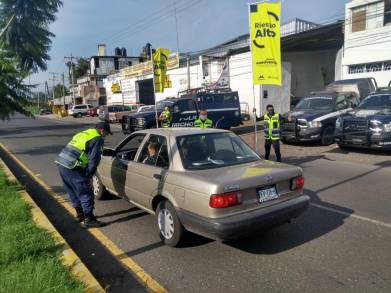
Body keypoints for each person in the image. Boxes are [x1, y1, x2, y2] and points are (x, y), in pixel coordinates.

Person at [55, 122, 112, 228]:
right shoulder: (98, 138)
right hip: (73, 166)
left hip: (62, 162)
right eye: (107, 133)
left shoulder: (85, 133)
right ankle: (89, 220)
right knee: (85, 192)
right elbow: (94, 159)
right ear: (102, 131)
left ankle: (80, 215)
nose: (106, 136)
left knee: (72, 190)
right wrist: (89, 175)